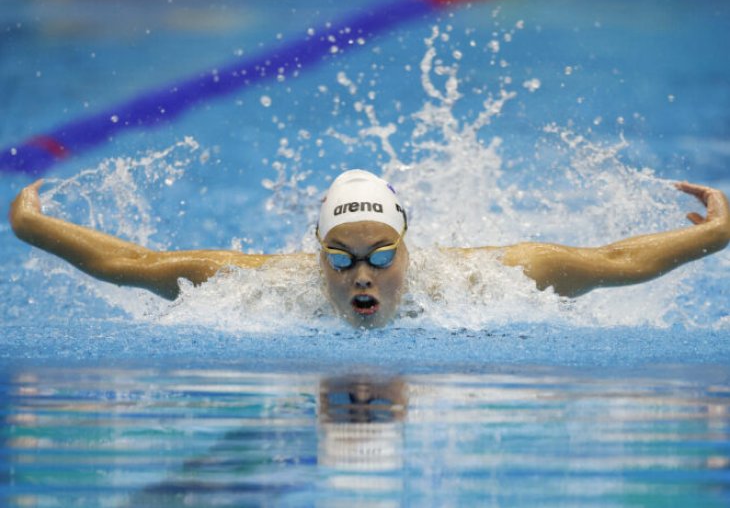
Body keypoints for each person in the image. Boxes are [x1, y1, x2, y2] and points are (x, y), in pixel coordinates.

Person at [9, 170, 730, 328]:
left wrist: (719, 234)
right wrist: (31, 228)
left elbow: (614, 264)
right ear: (317, 250)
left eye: (381, 255)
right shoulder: (258, 288)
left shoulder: (486, 281)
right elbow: (133, 265)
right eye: (343, 256)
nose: (363, 274)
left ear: (408, 247)